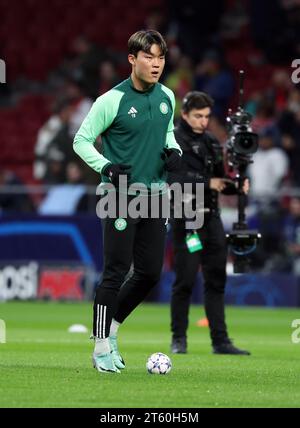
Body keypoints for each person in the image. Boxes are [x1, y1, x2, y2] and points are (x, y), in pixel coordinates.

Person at [73, 30, 182, 373]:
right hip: (118, 196)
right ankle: (101, 347)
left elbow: (167, 134)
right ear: (132, 59)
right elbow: (82, 140)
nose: (156, 64)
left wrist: (174, 151)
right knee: (115, 272)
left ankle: (112, 330)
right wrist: (105, 166)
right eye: (148, 57)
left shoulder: (167, 96)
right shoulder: (111, 100)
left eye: (160, 58)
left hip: (155, 196)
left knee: (150, 273)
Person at [168, 91, 251, 355]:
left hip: (212, 219)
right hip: (187, 218)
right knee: (186, 280)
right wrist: (208, 184)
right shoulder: (172, 141)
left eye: (206, 116)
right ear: (184, 114)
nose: (203, 121)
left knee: (216, 280)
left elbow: (219, 181)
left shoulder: (212, 142)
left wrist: (235, 186)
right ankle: (178, 338)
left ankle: (220, 341)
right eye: (197, 116)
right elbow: (173, 180)